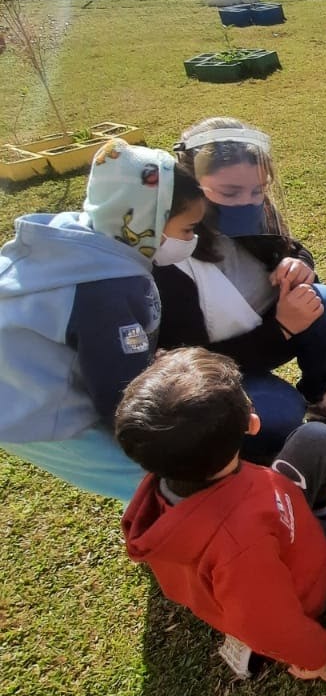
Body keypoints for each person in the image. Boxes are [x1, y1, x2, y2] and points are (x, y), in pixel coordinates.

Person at [116, 348, 326, 682]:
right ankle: (253, 650)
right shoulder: (240, 547)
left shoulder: (175, 469)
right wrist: (313, 656)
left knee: (317, 436)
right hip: (299, 575)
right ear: (251, 424)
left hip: (279, 518)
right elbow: (270, 622)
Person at [156, 117, 326, 461]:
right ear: (190, 184)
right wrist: (282, 329)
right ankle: (245, 459)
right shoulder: (171, 251)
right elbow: (191, 362)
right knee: (280, 412)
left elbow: (289, 246)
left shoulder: (256, 208)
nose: (248, 202)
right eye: (229, 192)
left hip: (269, 330)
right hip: (218, 365)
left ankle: (322, 398)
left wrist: (300, 264)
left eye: (258, 190)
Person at [0, 138, 204, 501]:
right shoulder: (108, 288)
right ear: (147, 221)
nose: (193, 240)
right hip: (38, 408)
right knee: (154, 480)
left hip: (28, 383)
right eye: (187, 230)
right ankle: (176, 541)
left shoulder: (90, 238)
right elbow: (120, 398)